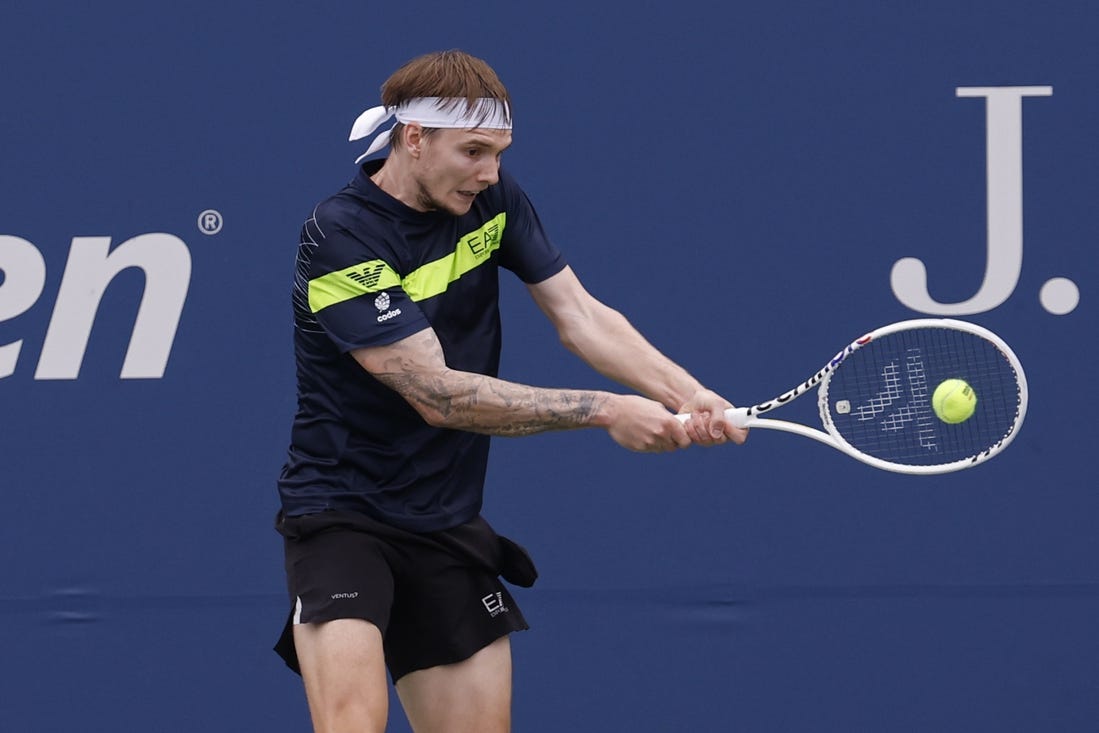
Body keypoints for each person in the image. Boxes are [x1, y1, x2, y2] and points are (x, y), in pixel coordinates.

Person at [274, 49, 748, 733]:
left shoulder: (491, 198)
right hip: (341, 515)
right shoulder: (341, 238)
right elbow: (436, 395)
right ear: (414, 139)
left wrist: (686, 391)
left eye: (498, 152)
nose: (490, 171)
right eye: (472, 151)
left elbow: (580, 317)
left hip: (444, 517)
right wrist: (606, 408)